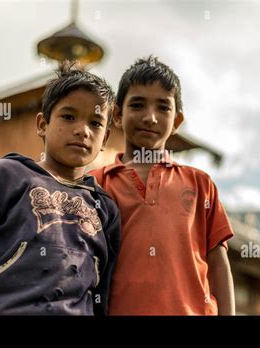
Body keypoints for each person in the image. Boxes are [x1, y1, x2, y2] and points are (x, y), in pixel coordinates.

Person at [0, 61, 120, 315]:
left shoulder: (104, 209)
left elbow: (101, 297)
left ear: (105, 138)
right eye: (68, 116)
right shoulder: (5, 178)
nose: (82, 130)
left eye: (95, 123)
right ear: (42, 124)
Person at [90, 56, 235, 315]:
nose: (150, 117)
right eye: (137, 105)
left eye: (163, 108)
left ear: (177, 122)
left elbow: (218, 264)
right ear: (118, 115)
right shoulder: (95, 184)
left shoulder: (200, 184)